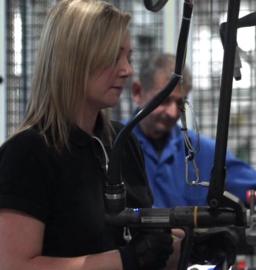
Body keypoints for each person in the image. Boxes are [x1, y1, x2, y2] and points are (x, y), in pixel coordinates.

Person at [0, 1, 174, 269]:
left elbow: (144, 243)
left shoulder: (122, 141)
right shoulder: (28, 153)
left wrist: (189, 247)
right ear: (74, 60)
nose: (127, 70)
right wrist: (126, 259)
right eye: (113, 57)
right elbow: (14, 264)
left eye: (129, 57)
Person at [131, 53, 256, 208]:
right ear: (137, 92)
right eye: (164, 100)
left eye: (180, 103)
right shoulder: (114, 146)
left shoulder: (203, 151)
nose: (173, 112)